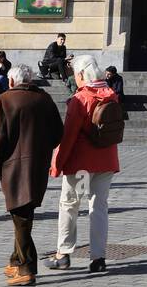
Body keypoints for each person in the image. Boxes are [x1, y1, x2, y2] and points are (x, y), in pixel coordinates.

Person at [0, 62, 64, 286]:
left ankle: (27, 267)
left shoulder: (5, 100)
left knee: (21, 216)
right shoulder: (44, 99)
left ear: (11, 81)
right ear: (29, 80)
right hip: (37, 166)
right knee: (23, 213)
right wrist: (42, 151)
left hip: (13, 167)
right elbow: (58, 133)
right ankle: (15, 260)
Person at [46, 54, 122, 275]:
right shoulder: (111, 95)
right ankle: (98, 258)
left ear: (80, 75)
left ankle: (63, 253)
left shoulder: (81, 98)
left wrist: (57, 164)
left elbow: (67, 137)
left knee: (71, 205)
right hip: (106, 162)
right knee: (99, 208)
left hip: (82, 167)